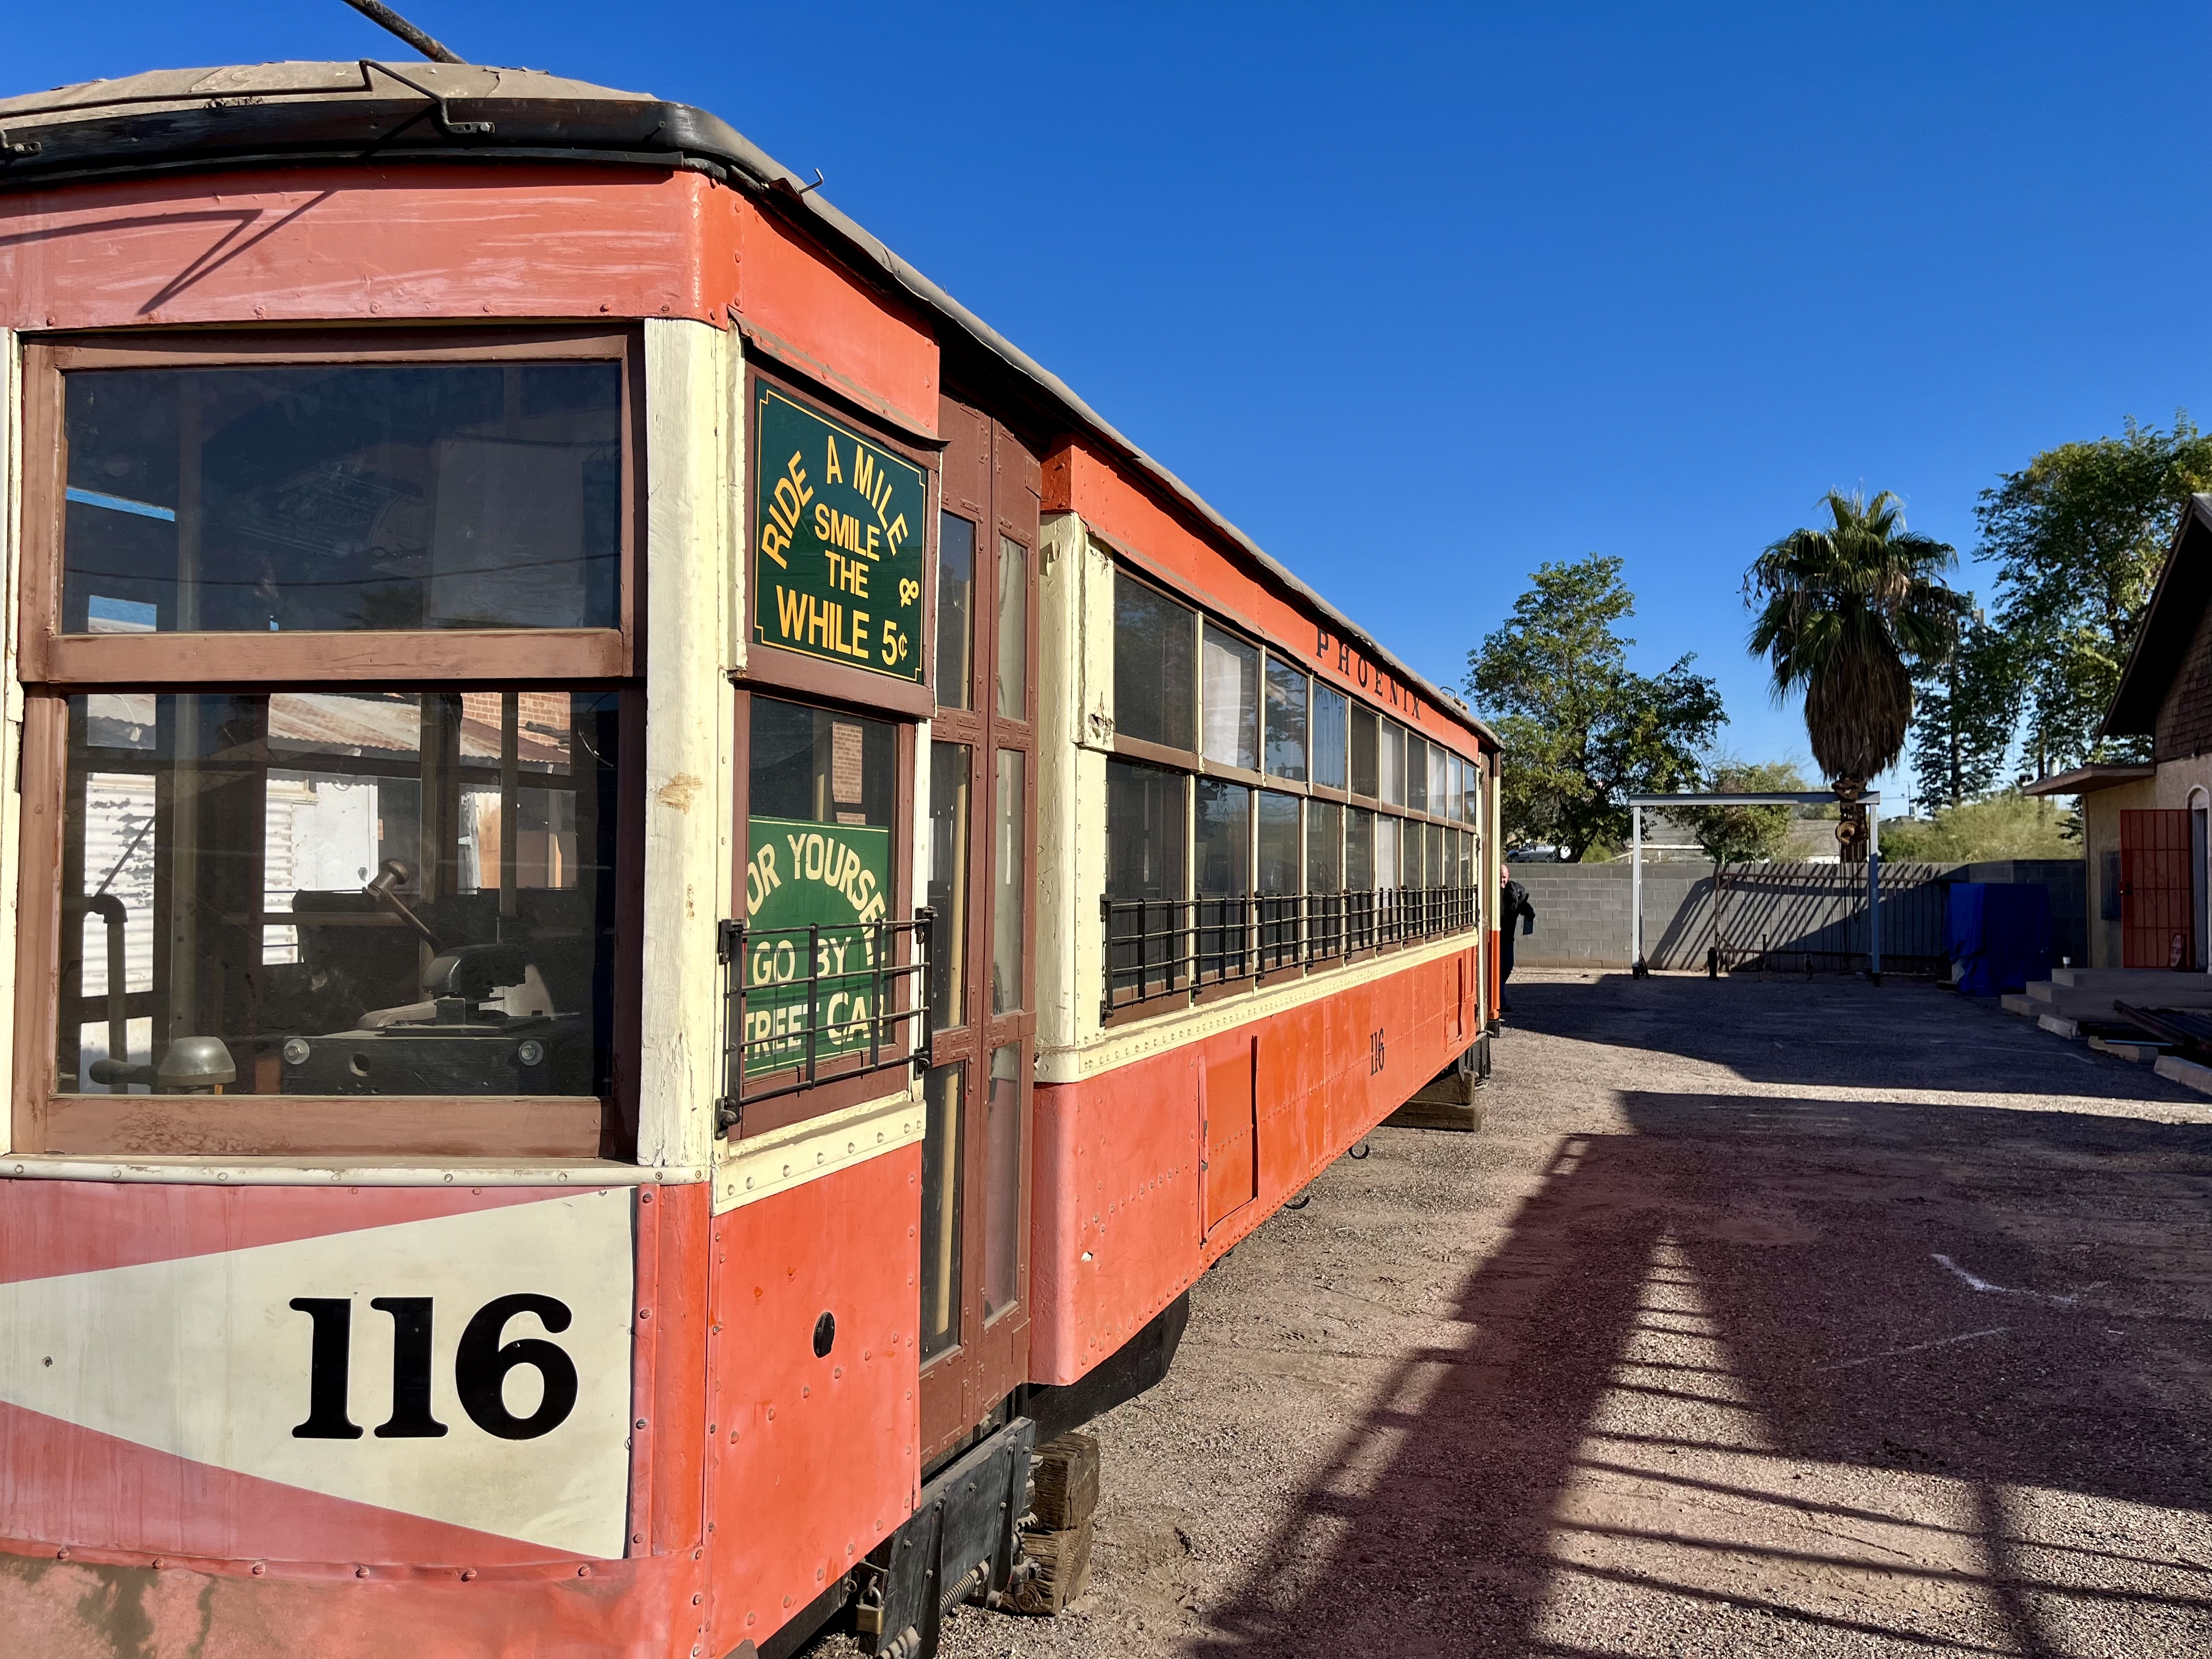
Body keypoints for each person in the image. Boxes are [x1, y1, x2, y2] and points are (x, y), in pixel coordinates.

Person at [1498, 864, 1536, 1014]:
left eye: (1504, 877)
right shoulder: (1491, 891)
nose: (1502, 880)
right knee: (1498, 969)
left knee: (1508, 967)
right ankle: (1500, 1000)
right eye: (1500, 877)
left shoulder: (1514, 891)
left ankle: (1498, 991)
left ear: (1508, 876)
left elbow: (1522, 905)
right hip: (1495, 937)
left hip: (1508, 937)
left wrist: (1529, 913)